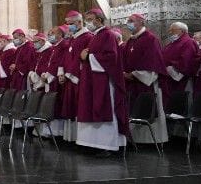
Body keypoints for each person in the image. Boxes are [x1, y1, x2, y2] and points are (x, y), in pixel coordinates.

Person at [75, 9, 130, 154]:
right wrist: (84, 57)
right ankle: (95, 144)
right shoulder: (96, 36)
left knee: (105, 109)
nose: (87, 22)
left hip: (104, 82)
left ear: (99, 20)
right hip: (93, 80)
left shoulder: (108, 35)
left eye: (89, 19)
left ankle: (108, 145)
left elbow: (111, 57)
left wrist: (88, 57)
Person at [120, 13, 168, 145]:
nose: (128, 23)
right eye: (127, 20)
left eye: (131, 20)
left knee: (147, 109)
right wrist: (124, 73)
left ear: (141, 22)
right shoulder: (131, 40)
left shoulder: (150, 39)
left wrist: (135, 74)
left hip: (146, 82)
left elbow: (154, 62)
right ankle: (134, 139)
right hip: (131, 82)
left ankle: (151, 140)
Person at [59, 11, 91, 142]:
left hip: (79, 79)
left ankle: (82, 139)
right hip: (69, 78)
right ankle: (72, 138)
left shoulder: (88, 37)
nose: (68, 26)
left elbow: (82, 59)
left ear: (79, 22)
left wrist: (68, 74)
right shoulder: (72, 38)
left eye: (70, 23)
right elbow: (66, 58)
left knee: (79, 108)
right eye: (67, 23)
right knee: (70, 108)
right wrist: (61, 72)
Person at [161, 21, 200, 103]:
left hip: (179, 77)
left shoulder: (188, 42)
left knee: (179, 100)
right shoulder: (173, 42)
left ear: (182, 31)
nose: (170, 32)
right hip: (168, 77)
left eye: (173, 30)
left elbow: (187, 60)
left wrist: (170, 66)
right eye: (170, 30)